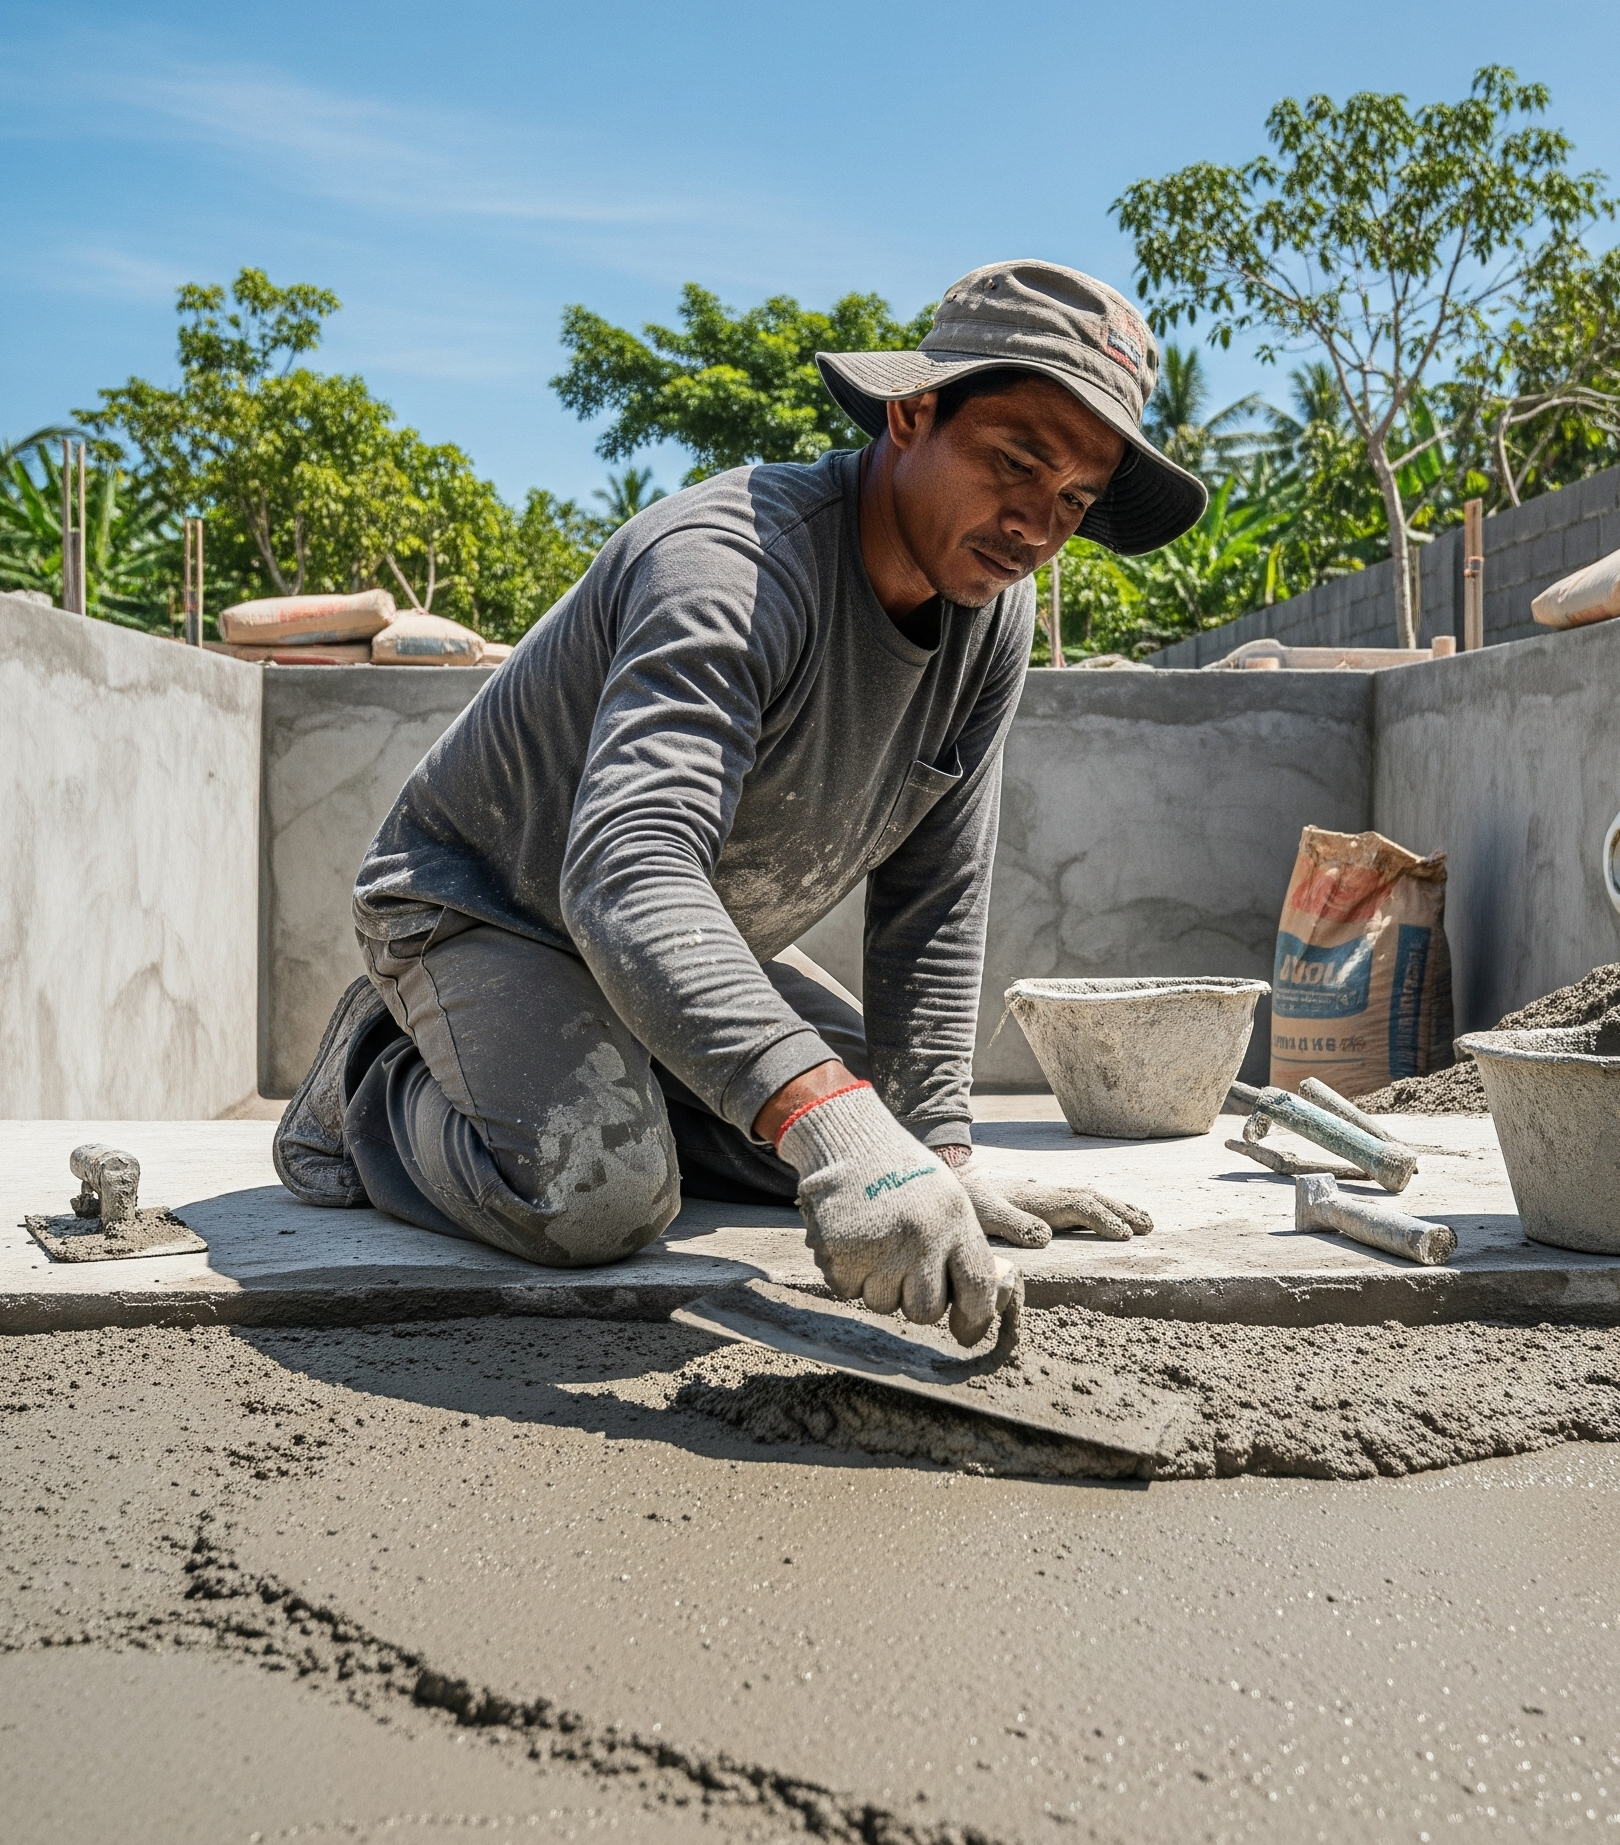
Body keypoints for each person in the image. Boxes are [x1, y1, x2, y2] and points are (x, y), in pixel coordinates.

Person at [274, 260, 1207, 1345]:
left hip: (670, 942)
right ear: (911, 413)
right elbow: (629, 868)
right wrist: (832, 1125)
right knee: (601, 1197)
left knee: (868, 1138)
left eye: (1071, 500)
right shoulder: (729, 566)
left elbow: (934, 899)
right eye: (1013, 462)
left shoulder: (989, 614)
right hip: (485, 909)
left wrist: (937, 1152)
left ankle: (621, 1070)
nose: (1035, 525)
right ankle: (371, 1082)